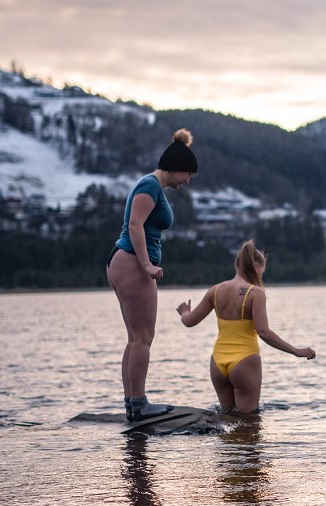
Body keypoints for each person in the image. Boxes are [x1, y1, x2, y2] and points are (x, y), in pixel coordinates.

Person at [107, 128, 198, 421]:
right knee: (144, 337)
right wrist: (146, 265)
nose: (188, 181)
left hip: (124, 262)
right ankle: (140, 404)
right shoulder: (150, 186)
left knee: (135, 338)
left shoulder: (151, 185)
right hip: (132, 262)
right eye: (189, 175)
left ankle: (133, 405)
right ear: (177, 168)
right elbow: (135, 226)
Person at [176, 240, 316, 414]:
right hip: (244, 360)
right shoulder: (255, 293)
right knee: (249, 422)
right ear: (256, 266)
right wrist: (295, 350)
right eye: (262, 271)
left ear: (237, 265)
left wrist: (184, 312)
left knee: (227, 418)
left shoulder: (216, 290)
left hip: (218, 362)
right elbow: (263, 332)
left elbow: (189, 321)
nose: (261, 276)